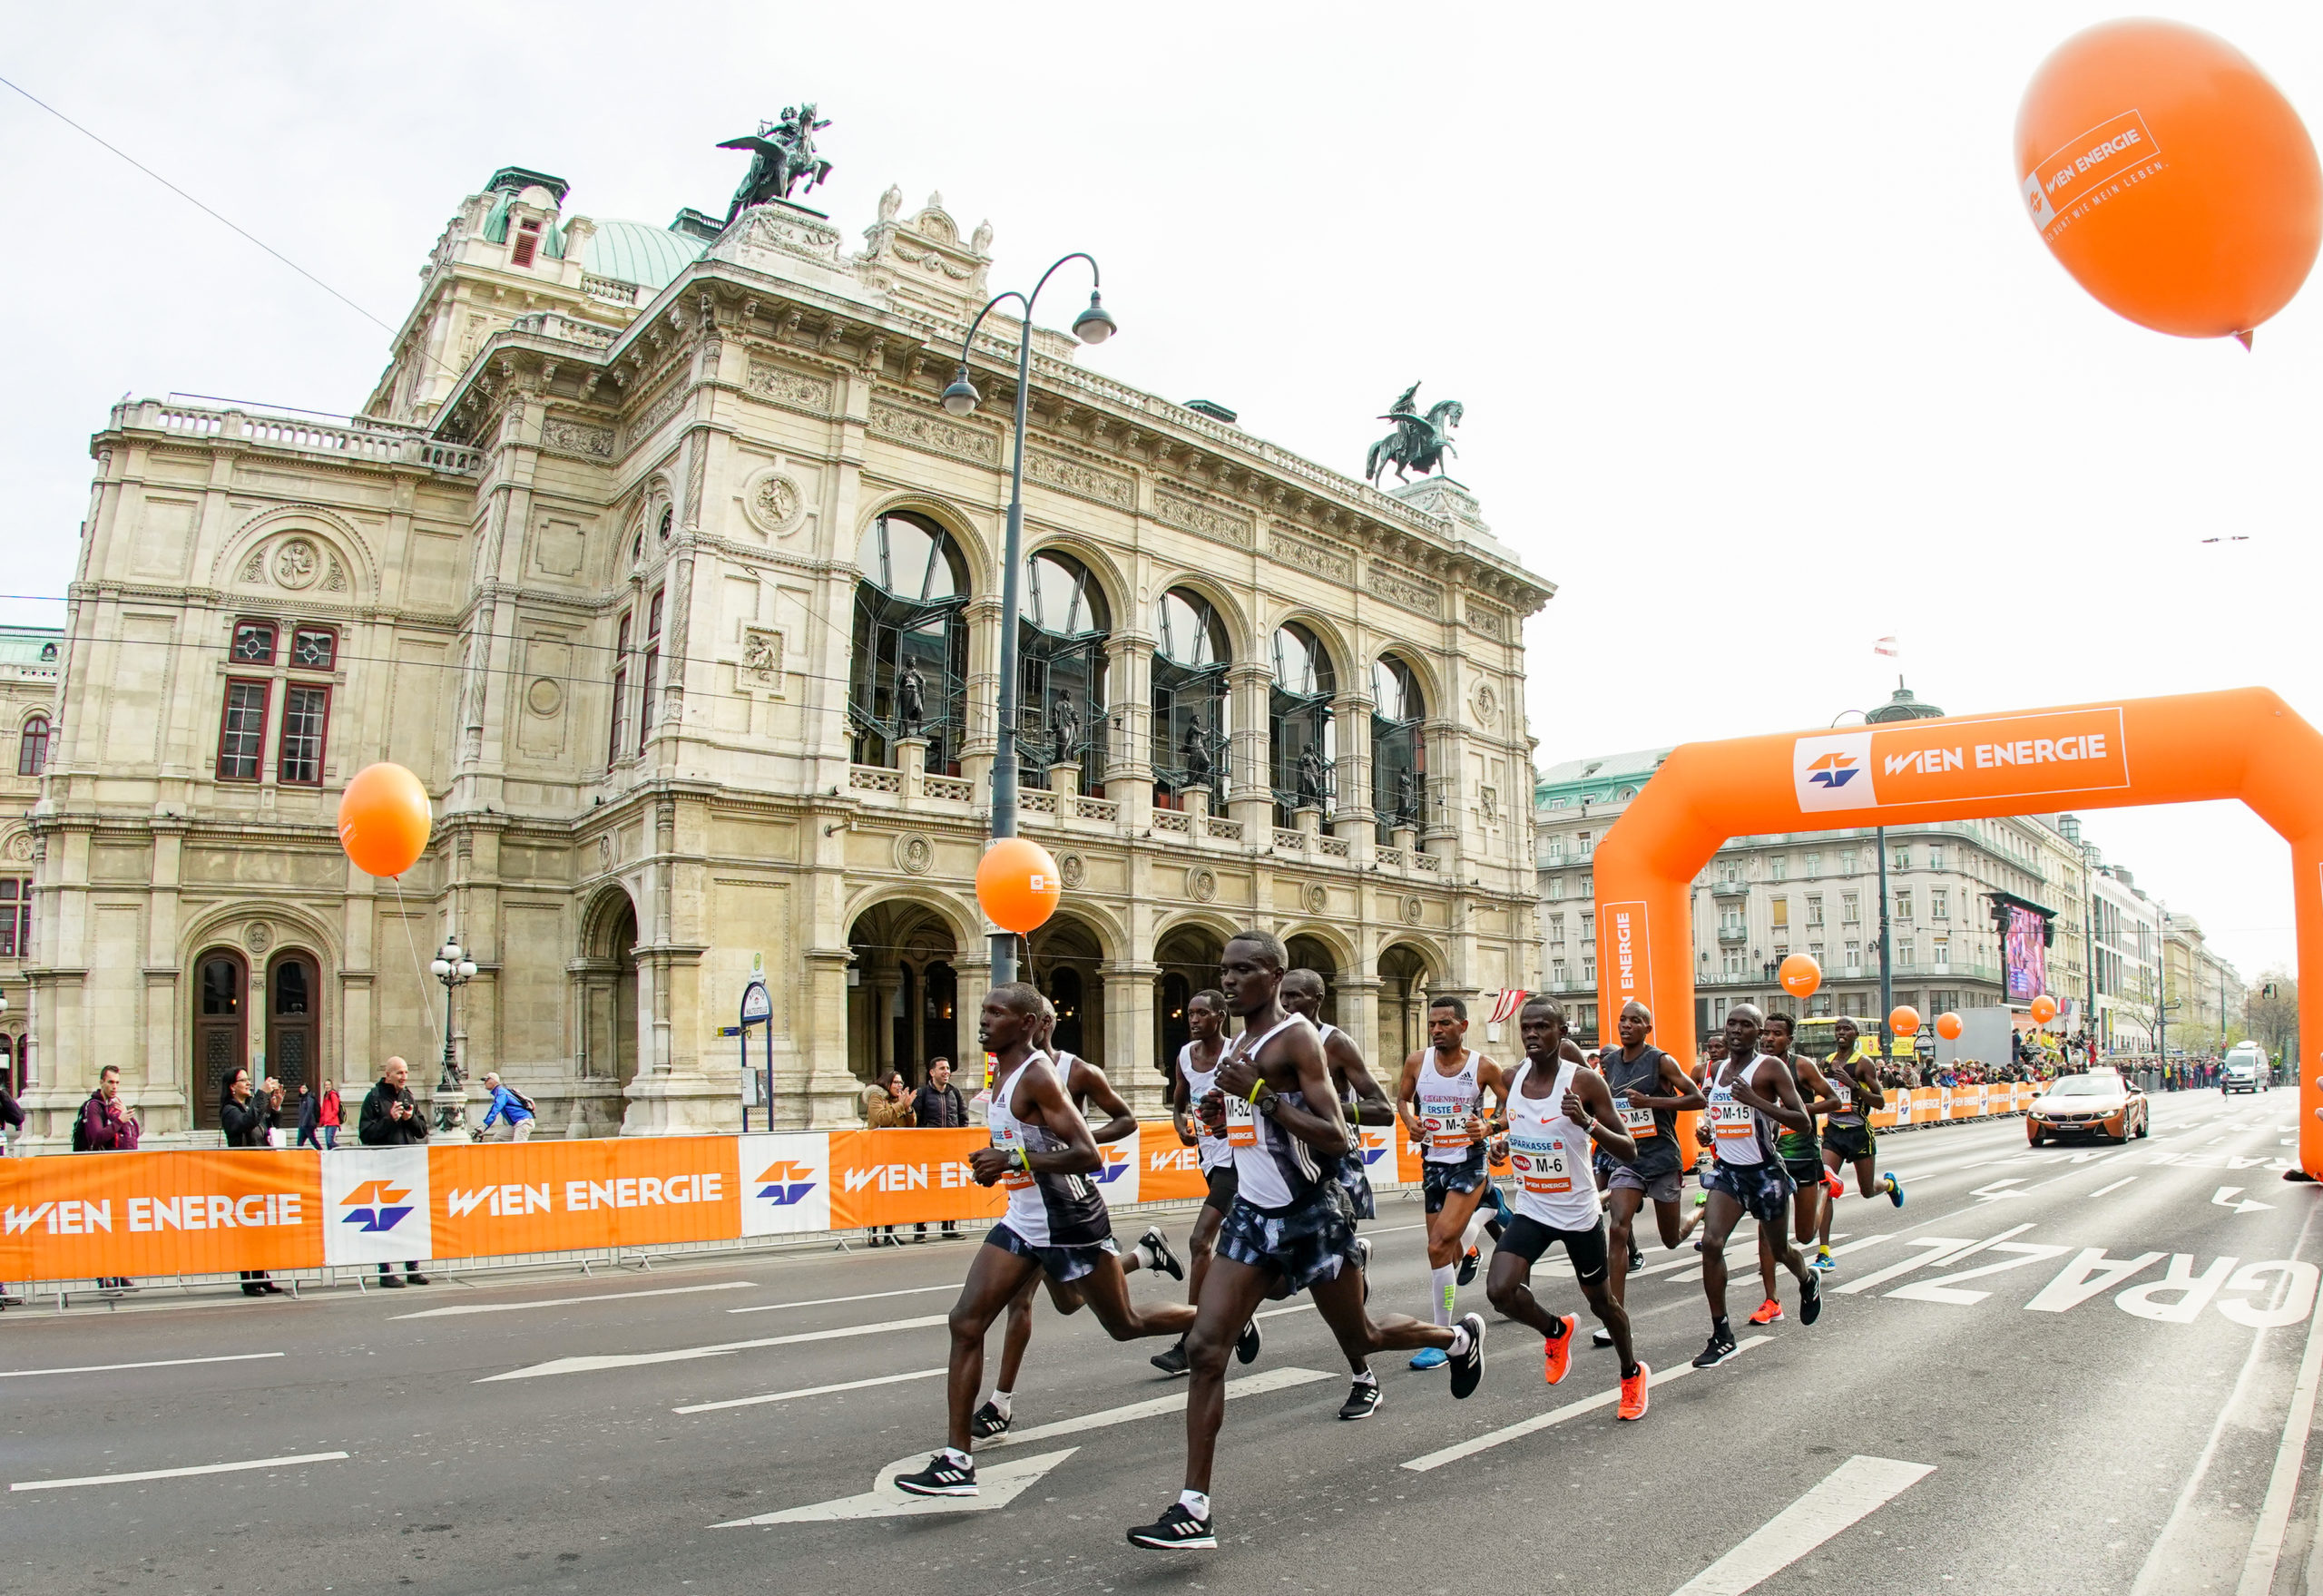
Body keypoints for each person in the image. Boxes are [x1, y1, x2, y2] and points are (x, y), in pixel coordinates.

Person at [1126, 932, 1480, 1551]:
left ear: (1273, 973)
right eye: (1224, 970)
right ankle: (1193, 1507)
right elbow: (1249, 1123)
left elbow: (1338, 1134)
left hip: (1310, 1215)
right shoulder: (1239, 1040)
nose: (1229, 980)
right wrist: (1223, 1116)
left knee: (1361, 1336)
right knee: (1208, 1348)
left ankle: (1457, 1336)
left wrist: (1260, 1096)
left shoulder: (1297, 1038)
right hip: (1252, 1217)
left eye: (1242, 971)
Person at [895, 983, 1200, 1502]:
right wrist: (998, 1165)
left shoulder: (1039, 1075)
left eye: (997, 1013)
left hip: (1069, 1219)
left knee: (1125, 1325)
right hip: (1023, 1220)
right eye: (984, 1011)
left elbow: (1087, 1153)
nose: (984, 1020)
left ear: (1028, 1023)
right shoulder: (1001, 1075)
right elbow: (1019, 1141)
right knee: (965, 1321)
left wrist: (1015, 1161)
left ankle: (1220, 1318)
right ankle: (956, 1460)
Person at [970, 1000, 1182, 1438]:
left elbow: (1123, 1122)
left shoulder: (1076, 1070)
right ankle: (1144, 1255)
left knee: (1105, 1319)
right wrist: (1001, 1164)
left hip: (1068, 1203)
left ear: (1045, 1023)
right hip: (1028, 1205)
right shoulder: (1007, 1071)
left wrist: (1075, 1140)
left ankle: (1000, 1403)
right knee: (1066, 1301)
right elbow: (1011, 1134)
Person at [1485, 997, 1651, 1420]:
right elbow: (1513, 1123)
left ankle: (1631, 1373)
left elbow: (1629, 1150)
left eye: (1542, 1027)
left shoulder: (1584, 1083)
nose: (1532, 1035)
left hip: (1577, 1214)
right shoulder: (1512, 1077)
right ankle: (1555, 1330)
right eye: (1526, 1028)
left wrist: (1588, 1124)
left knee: (1602, 1304)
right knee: (1500, 1291)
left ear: (1562, 1031)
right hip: (1534, 1209)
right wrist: (1503, 1143)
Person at [1282, 968, 1396, 1418]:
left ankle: (1363, 1378)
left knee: (1327, 1280)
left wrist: (1330, 1110)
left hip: (1333, 1171)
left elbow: (1382, 1110)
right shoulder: (1265, 1040)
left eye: (1295, 996)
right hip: (1284, 1171)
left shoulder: (1335, 1043)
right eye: (1282, 995)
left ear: (1316, 1001)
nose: (1286, 1003)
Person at [1691, 1004, 1820, 1368]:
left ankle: (1807, 1277)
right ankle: (1722, 1334)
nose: (1736, 1030)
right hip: (1729, 1172)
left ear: (1759, 1033)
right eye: (1731, 1023)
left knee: (1780, 1251)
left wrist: (1756, 1101)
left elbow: (1802, 1122)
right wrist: (1707, 1133)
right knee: (1712, 1244)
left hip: (1765, 1173)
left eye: (1746, 1025)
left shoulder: (1770, 1068)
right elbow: (1719, 1119)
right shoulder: (1715, 1070)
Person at [1395, 995, 1510, 1369]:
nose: (1436, 1030)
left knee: (1437, 1248)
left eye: (1444, 1023)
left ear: (1462, 1026)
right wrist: (1411, 1123)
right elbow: (1403, 1099)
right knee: (1444, 1251)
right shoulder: (1417, 1061)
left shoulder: (1483, 1066)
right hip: (1432, 1163)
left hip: (1468, 1162)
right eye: (1432, 1024)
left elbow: (1513, 1107)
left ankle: (1442, 1338)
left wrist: (1490, 1126)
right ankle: (1485, 1212)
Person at [1589, 999, 1704, 1348]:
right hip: (1630, 1160)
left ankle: (1701, 1211)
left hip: (1662, 1158)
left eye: (1635, 1021)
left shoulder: (1661, 1061)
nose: (1626, 1026)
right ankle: (1616, 1317)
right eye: (1623, 1020)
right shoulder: (1609, 1063)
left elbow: (1697, 1098)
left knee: (1671, 1238)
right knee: (1618, 1228)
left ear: (1647, 1028)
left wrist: (1653, 1103)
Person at [1150, 988, 1234, 1379]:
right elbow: (1179, 1101)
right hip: (1209, 1158)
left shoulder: (1237, 1053)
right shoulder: (1186, 1055)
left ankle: (1189, 1341)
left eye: (1202, 1014)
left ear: (1220, 1016)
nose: (1194, 1020)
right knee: (1244, 1248)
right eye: (1190, 1014)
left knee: (1201, 1241)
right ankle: (1238, 1316)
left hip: (1240, 1159)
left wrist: (1226, 1123)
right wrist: (1180, 1124)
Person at [1748, 1013, 1841, 1325]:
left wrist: (1796, 1111)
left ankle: (1826, 1188)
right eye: (1766, 1033)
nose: (1769, 1038)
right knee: (1766, 1230)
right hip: (1770, 1156)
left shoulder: (1801, 1066)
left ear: (1790, 1039)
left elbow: (1833, 1100)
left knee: (1803, 1236)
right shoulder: (1755, 1066)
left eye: (1777, 1034)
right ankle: (1771, 1299)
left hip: (1801, 1153)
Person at [1816, 1017, 1904, 1268]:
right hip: (1834, 1132)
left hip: (1858, 1132)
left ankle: (1888, 1185)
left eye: (1847, 1029)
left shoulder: (1863, 1063)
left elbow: (1880, 1102)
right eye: (1838, 1029)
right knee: (1826, 1185)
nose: (1841, 1033)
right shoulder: (1827, 1063)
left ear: (1856, 1034)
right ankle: (1824, 1252)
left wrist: (1853, 1085)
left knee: (1866, 1190)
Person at [358, 1057, 430, 1288]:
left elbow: (422, 1131)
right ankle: (386, 1270)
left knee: (411, 1219)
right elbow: (366, 1134)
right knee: (386, 1222)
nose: (404, 1077)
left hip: (407, 1166)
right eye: (399, 1072)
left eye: (406, 1072)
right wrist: (390, 1119)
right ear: (388, 1074)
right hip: (383, 1169)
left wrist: (409, 1119)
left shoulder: (407, 1095)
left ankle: (413, 1268)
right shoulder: (374, 1098)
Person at [220, 1068, 285, 1297]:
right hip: (243, 1177)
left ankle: (262, 1275)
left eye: (249, 1080)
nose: (248, 1083)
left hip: (259, 1174)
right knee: (248, 1233)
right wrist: (261, 1094)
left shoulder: (247, 1107)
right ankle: (248, 1280)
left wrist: (274, 1107)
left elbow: (263, 1126)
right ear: (232, 1086)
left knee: (261, 1232)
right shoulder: (230, 1110)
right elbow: (245, 1124)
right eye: (243, 1080)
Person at [76, 1065, 141, 1291]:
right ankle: (104, 1276)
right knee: (102, 1228)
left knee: (118, 1227)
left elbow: (134, 1133)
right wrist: (119, 1120)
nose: (114, 1087)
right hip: (98, 1175)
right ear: (102, 1082)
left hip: (116, 1175)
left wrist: (126, 1118)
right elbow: (96, 1137)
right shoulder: (94, 1107)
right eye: (111, 1082)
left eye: (117, 1083)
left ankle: (119, 1272)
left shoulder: (114, 1105)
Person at [913, 1058, 969, 1242]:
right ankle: (920, 1229)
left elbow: (963, 1118)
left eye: (948, 1068)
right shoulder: (922, 1093)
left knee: (950, 1189)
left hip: (950, 1149)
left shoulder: (954, 1092)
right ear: (932, 1072)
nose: (946, 1072)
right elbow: (916, 1121)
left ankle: (949, 1227)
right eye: (942, 1068)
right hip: (928, 1150)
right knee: (924, 1190)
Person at [864, 1069, 916, 1247]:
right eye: (896, 1082)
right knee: (877, 1195)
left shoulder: (898, 1101)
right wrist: (900, 1105)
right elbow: (882, 1118)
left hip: (895, 1152)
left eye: (901, 1083)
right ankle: (873, 1233)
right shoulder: (876, 1098)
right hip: (877, 1153)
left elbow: (911, 1124)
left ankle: (889, 1232)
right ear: (887, 1083)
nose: (899, 1086)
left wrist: (908, 1108)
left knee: (892, 1195)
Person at [475, 1072, 536, 1142]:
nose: (485, 1083)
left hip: (523, 1122)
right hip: (517, 1123)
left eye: (486, 1080)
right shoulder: (499, 1092)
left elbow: (495, 1110)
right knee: (498, 1138)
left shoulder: (501, 1092)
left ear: (493, 1081)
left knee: (518, 1147)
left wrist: (484, 1125)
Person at [294, 1082, 322, 1150]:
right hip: (303, 1125)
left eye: (304, 1088)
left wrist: (304, 1123)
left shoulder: (309, 1098)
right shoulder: (302, 1098)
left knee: (313, 1140)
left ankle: (322, 1152)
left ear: (307, 1089)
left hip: (308, 1125)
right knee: (299, 1143)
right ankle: (298, 1156)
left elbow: (309, 1111)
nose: (303, 1089)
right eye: (302, 1088)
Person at [318, 1080, 342, 1150]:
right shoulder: (326, 1095)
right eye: (326, 1085)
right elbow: (324, 1110)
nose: (327, 1086)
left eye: (328, 1085)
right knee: (328, 1143)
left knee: (329, 1141)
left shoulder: (333, 1095)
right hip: (327, 1122)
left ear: (331, 1085)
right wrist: (322, 1121)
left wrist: (329, 1117)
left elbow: (336, 1109)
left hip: (333, 1122)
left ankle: (340, 1149)